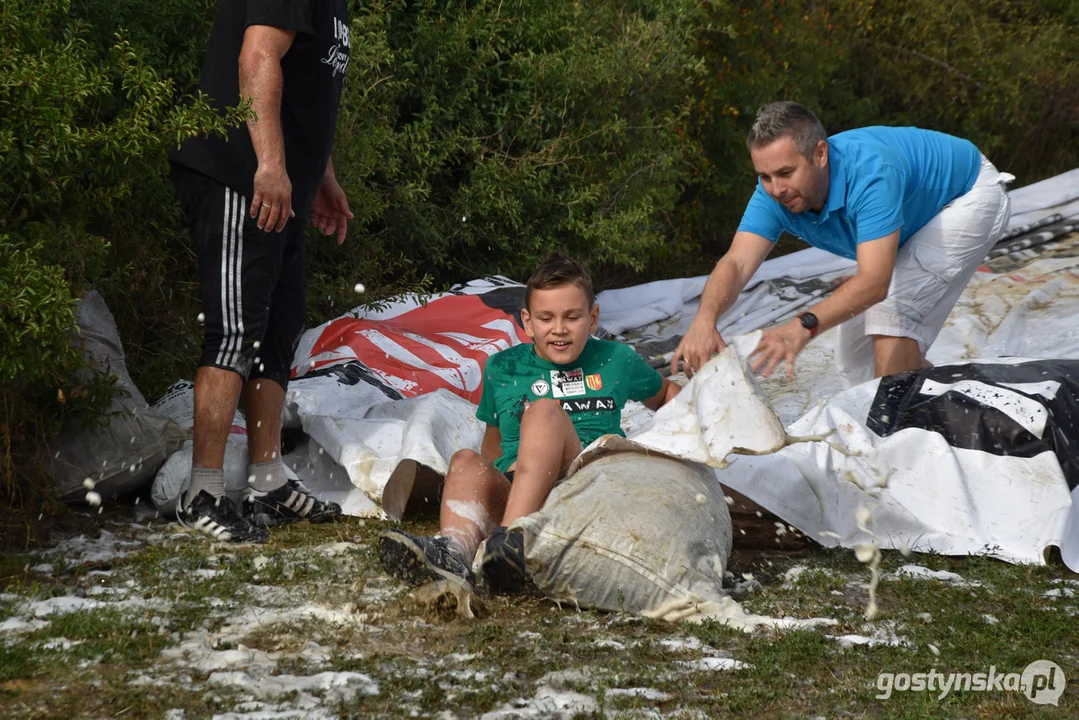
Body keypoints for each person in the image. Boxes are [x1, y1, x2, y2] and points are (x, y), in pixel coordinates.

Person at [378, 253, 683, 593]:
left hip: (583, 485)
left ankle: (511, 543)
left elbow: (668, 392)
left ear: (593, 317)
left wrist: (698, 418)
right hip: (519, 488)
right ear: (527, 321)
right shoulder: (502, 368)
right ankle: (454, 553)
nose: (559, 329)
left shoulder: (617, 359)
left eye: (572, 317)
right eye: (546, 318)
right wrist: (488, 486)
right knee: (465, 460)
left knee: (543, 412)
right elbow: (493, 446)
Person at [169, 0, 355, 542]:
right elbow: (256, 58)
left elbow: (307, 91)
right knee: (234, 330)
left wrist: (321, 173)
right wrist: (271, 166)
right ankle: (202, 491)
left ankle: (267, 478)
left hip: (284, 184)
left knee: (276, 332)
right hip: (239, 173)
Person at [671, 101, 1013, 387]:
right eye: (765, 176)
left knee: (892, 317)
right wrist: (705, 318)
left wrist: (800, 326)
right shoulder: (772, 195)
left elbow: (875, 283)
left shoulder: (870, 173)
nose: (776, 189)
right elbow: (736, 262)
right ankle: (936, 404)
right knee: (857, 364)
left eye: (786, 173)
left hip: (969, 195)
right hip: (916, 220)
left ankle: (905, 445)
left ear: (820, 153)